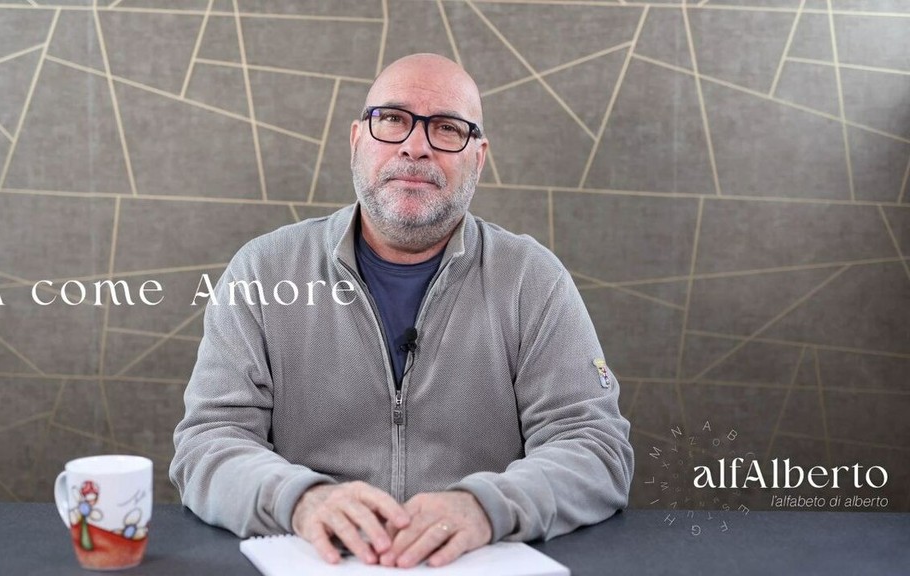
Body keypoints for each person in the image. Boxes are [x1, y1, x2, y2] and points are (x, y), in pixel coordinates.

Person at [170, 53, 634, 569]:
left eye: (447, 128)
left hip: (472, 560)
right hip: (317, 559)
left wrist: (486, 507)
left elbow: (595, 448)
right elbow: (208, 444)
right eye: (392, 119)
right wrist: (300, 500)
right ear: (356, 140)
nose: (416, 146)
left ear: (479, 157)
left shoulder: (533, 279)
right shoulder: (262, 270)